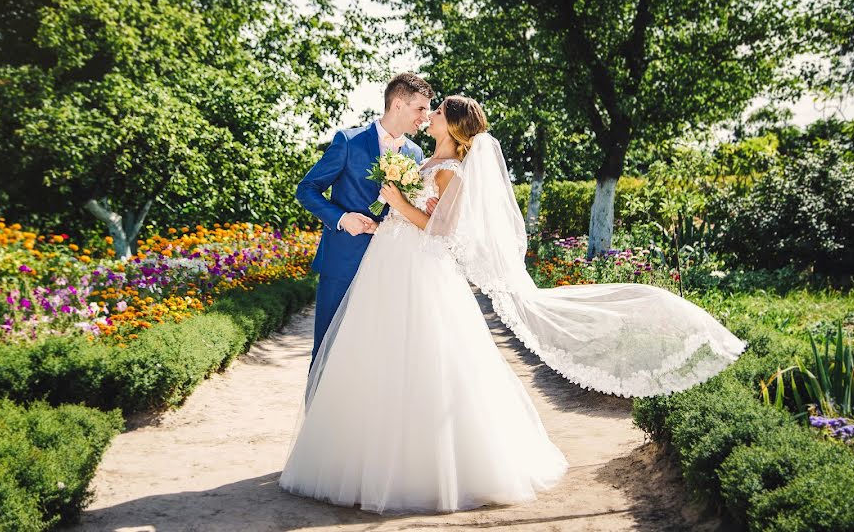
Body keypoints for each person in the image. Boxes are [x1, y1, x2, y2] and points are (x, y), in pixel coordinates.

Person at [281, 95, 746, 514]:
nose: (430, 116)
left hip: (419, 271)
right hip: (390, 265)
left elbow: (439, 228)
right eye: (427, 108)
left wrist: (396, 203)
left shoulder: (450, 168)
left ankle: (423, 468)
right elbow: (400, 213)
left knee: (430, 361)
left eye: (437, 111)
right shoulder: (417, 158)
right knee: (374, 356)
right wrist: (382, 212)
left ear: (454, 124)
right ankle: (365, 452)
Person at [295, 72, 433, 365]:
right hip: (343, 261)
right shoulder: (349, 140)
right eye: (420, 108)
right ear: (397, 104)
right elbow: (306, 189)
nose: (426, 116)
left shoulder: (416, 153)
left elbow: (407, 208)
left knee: (375, 357)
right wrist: (343, 218)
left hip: (391, 265)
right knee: (328, 352)